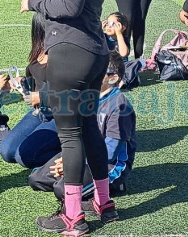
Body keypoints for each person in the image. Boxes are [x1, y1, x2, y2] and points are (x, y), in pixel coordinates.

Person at [20, 0, 117, 235]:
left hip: (72, 53)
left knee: (71, 136)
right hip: (91, 52)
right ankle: (103, 203)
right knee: (87, 128)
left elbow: (69, 7)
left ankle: (73, 217)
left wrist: (35, 1)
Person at [28, 51, 136, 213]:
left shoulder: (120, 107)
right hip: (83, 154)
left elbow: (111, 152)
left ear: (113, 78)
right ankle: (81, 184)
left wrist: (74, 162)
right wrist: (68, 158)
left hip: (109, 164)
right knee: (36, 179)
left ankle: (112, 187)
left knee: (62, 189)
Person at [0, 12, 60, 169]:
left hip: (62, 115)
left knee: (24, 156)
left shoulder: (63, 51)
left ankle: (69, 152)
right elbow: (37, 79)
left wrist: (43, 98)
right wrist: (22, 83)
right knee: (7, 151)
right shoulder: (39, 47)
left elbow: (73, 90)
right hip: (39, 112)